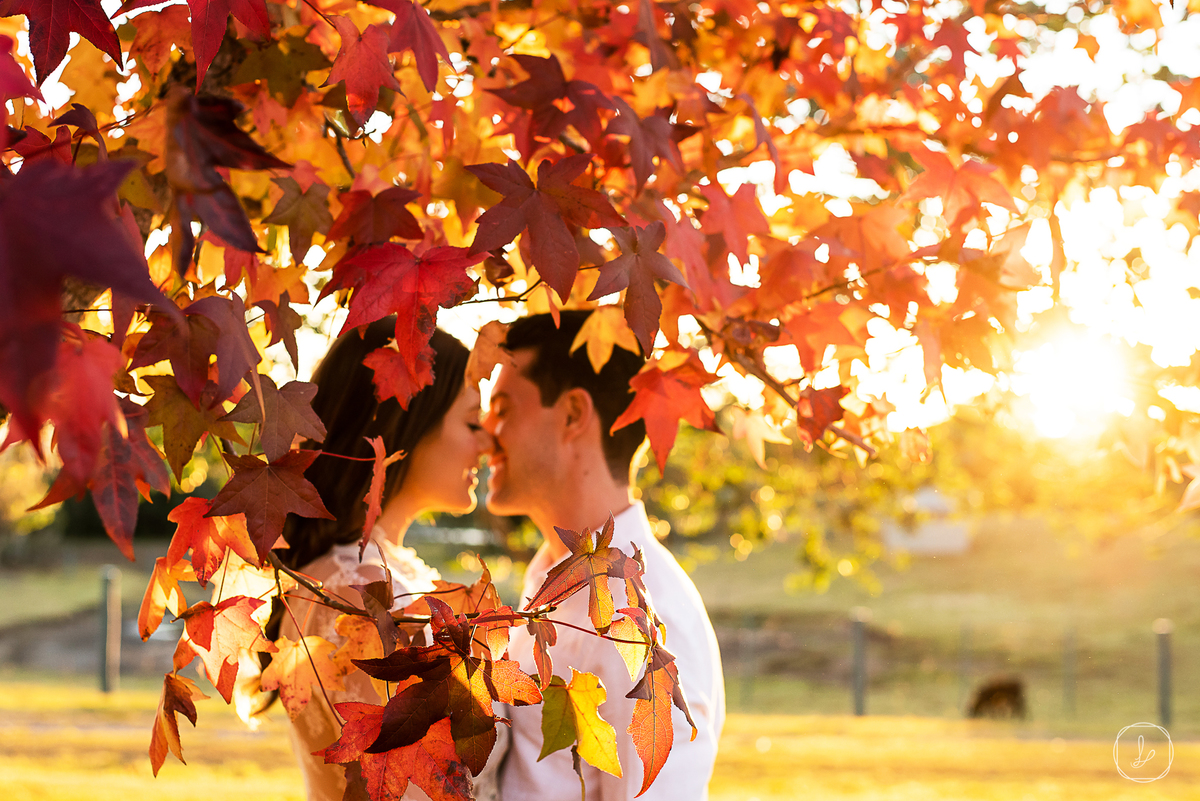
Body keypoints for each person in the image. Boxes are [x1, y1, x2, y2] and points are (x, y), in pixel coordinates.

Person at [484, 310, 725, 801]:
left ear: (572, 414)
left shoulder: (645, 621)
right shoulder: (550, 573)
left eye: (503, 408)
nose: (484, 429)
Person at [259, 318, 496, 801]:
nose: (488, 444)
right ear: (406, 423)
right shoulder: (362, 596)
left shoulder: (369, 575)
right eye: (472, 422)